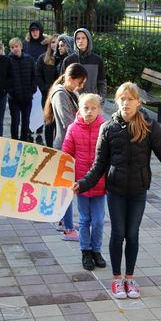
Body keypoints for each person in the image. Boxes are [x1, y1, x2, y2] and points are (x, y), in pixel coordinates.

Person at [74, 83, 161, 299]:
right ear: (116, 101)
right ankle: (116, 279)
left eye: (130, 99)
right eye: (122, 99)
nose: (126, 103)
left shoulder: (149, 126)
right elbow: (98, 166)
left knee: (132, 234)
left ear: (139, 102)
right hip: (116, 191)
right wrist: (82, 184)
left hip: (138, 190)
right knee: (118, 233)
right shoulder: (108, 128)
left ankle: (129, 278)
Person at [62, 93, 107, 271]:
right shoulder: (73, 128)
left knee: (98, 220)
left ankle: (96, 250)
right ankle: (85, 251)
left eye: (93, 108)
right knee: (84, 219)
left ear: (99, 109)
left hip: (100, 182)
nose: (89, 111)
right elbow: (66, 155)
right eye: (85, 108)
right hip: (80, 183)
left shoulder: (106, 128)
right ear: (79, 109)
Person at [44, 63, 89, 240]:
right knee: (67, 188)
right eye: (79, 82)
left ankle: (64, 221)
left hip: (71, 146)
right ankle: (68, 229)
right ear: (70, 79)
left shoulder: (71, 92)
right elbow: (68, 122)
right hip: (65, 147)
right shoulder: (60, 94)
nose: (81, 86)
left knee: (65, 186)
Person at [35, 35, 64, 146]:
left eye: (57, 42)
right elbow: (38, 75)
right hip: (47, 95)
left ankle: (58, 147)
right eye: (52, 42)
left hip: (60, 95)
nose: (55, 44)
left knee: (59, 124)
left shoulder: (63, 59)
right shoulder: (43, 58)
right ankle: (49, 147)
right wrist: (44, 89)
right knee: (49, 123)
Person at [60, 28, 106, 98]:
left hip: (92, 100)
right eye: (78, 38)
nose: (80, 41)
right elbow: (63, 82)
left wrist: (100, 99)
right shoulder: (68, 60)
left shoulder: (97, 60)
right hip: (73, 100)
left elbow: (102, 82)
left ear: (88, 40)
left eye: (83, 38)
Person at [8, 38, 37, 141]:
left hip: (27, 97)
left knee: (26, 121)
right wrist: (11, 91)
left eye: (16, 46)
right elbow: (6, 78)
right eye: (12, 47)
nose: (15, 49)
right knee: (15, 121)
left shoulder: (29, 59)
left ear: (21, 46)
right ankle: (14, 141)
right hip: (14, 98)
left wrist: (32, 89)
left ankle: (24, 141)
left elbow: (34, 75)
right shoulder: (8, 60)